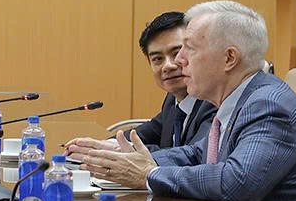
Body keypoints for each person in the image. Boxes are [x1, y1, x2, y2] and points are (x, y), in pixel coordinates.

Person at [82, 0, 296, 201]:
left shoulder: (268, 105)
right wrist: (128, 159)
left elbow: (237, 182)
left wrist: (150, 174)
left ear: (229, 58)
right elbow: (198, 154)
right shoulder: (242, 98)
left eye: (189, 49)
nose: (179, 60)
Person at [66, 11, 215, 155]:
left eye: (176, 53)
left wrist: (120, 150)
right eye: (157, 59)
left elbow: (194, 155)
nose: (168, 66)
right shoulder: (172, 101)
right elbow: (145, 133)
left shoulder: (213, 101)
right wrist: (99, 146)